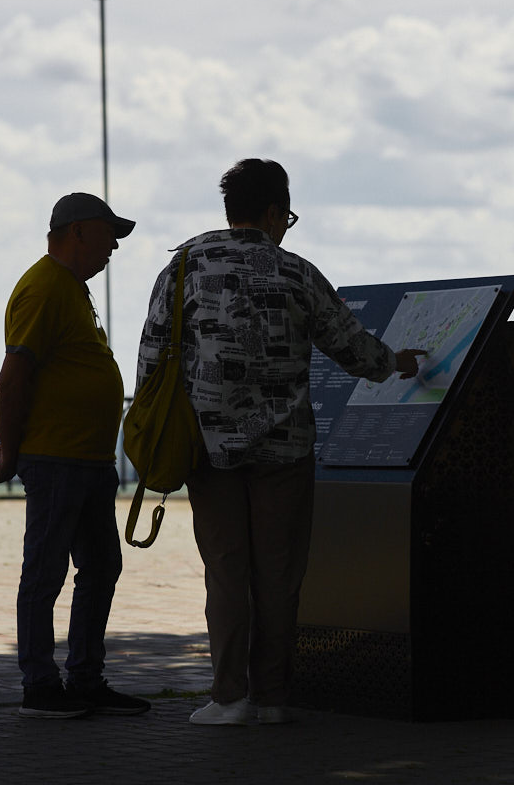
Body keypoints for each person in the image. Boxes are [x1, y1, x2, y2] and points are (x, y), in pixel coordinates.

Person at [137, 159, 425, 726]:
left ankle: (228, 699)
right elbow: (351, 348)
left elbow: (151, 361)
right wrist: (396, 362)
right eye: (286, 216)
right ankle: (271, 699)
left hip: (209, 449)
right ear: (272, 212)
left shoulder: (184, 268)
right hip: (284, 450)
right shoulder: (294, 272)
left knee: (226, 571)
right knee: (278, 574)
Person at [0, 193, 150, 719]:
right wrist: (11, 451)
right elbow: (12, 378)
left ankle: (84, 680)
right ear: (77, 231)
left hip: (88, 460)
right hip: (56, 459)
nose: (115, 246)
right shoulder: (44, 288)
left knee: (101, 567)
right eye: (109, 234)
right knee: (45, 572)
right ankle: (39, 686)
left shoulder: (71, 290)